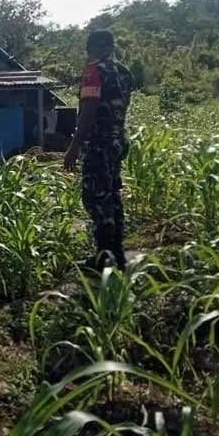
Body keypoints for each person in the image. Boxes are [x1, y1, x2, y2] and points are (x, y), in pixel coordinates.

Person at [63, 31, 136, 270]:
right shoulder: (124, 72)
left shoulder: (94, 70)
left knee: (96, 198)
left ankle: (104, 258)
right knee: (113, 197)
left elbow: (89, 109)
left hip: (98, 145)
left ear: (91, 48)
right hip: (117, 142)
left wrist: (74, 146)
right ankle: (117, 255)